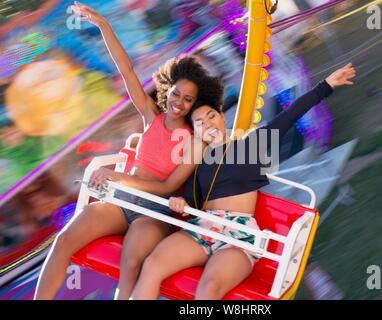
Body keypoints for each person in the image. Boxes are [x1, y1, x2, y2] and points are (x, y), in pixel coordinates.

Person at [34, 2, 223, 300]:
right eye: (176, 93)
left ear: (194, 105)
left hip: (153, 211)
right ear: (168, 89)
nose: (179, 102)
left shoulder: (194, 139)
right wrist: (103, 25)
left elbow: (168, 186)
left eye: (188, 99)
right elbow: (125, 67)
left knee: (131, 263)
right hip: (121, 201)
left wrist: (118, 177)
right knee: (64, 240)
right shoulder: (151, 115)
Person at [127, 63, 357, 299]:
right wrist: (180, 203)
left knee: (209, 288)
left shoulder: (250, 145)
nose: (208, 124)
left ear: (221, 117)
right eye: (199, 123)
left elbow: (289, 116)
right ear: (195, 132)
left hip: (238, 235)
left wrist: (326, 85)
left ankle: (313, 275)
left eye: (211, 116)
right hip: (203, 227)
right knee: (152, 265)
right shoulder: (195, 161)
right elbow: (187, 201)